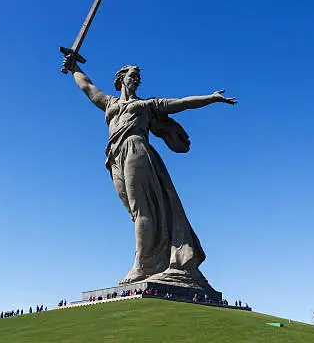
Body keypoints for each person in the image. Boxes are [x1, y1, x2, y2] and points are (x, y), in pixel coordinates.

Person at [63, 57, 236, 286]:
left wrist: (211, 98)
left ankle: (141, 267)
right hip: (114, 157)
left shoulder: (146, 105)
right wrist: (74, 67)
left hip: (136, 149)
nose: (136, 80)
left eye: (138, 77)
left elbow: (183, 103)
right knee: (135, 213)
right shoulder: (110, 103)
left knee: (141, 208)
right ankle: (153, 259)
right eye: (132, 75)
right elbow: (87, 86)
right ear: (121, 79)